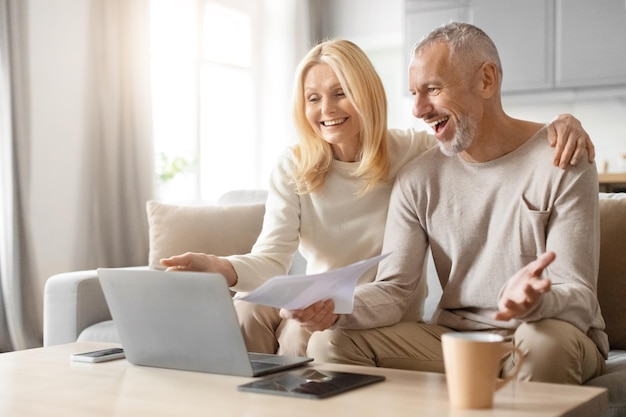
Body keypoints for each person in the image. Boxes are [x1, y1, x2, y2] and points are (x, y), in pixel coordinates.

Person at [160, 39, 595, 358]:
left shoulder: (415, 153)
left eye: (340, 92)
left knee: (300, 337)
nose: (326, 108)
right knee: (249, 312)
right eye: (313, 98)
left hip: (381, 307)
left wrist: (561, 123)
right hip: (327, 301)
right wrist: (223, 268)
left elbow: (481, 131)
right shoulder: (298, 166)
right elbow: (272, 259)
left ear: (366, 93)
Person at [302, 24, 607, 385]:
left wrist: (536, 304)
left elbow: (578, 293)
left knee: (543, 343)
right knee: (328, 344)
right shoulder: (418, 179)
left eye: (432, 89)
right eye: (414, 93)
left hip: (548, 329)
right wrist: (332, 307)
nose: (418, 109)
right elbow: (394, 290)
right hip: (457, 341)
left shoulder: (562, 157)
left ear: (487, 80)